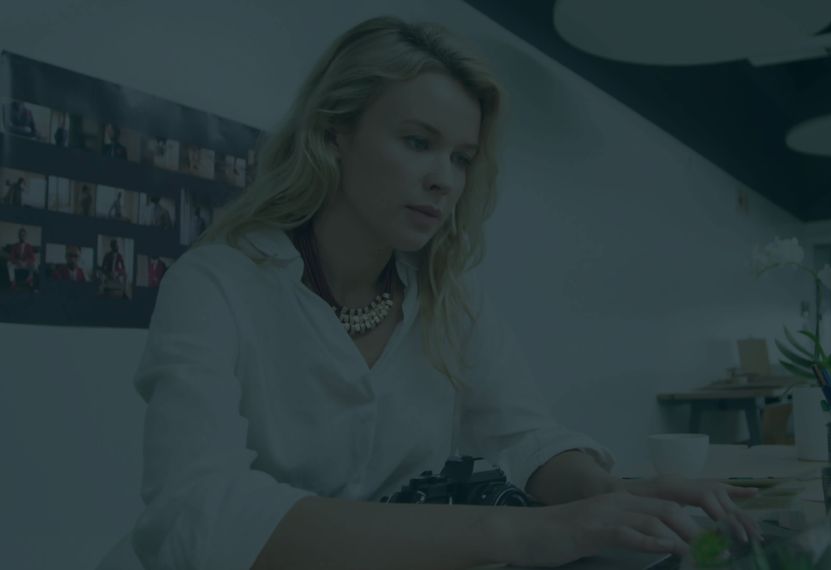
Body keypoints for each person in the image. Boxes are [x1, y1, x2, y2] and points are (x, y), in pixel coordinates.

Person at [99, 17, 760, 570]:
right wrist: (524, 534)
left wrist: (612, 498)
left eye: (461, 158)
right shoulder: (217, 282)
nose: (444, 180)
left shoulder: (449, 297)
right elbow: (194, 510)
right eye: (418, 143)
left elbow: (525, 436)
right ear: (335, 133)